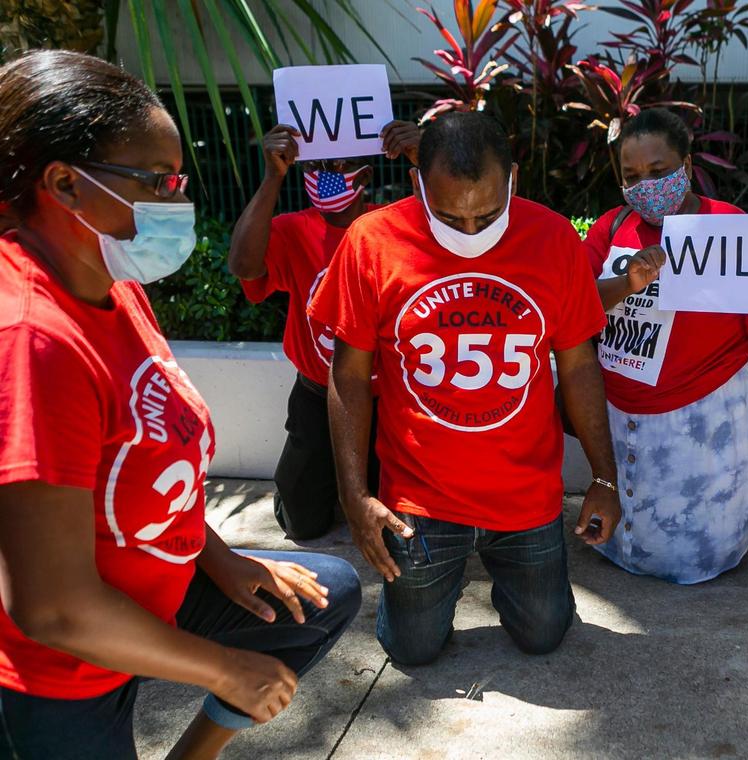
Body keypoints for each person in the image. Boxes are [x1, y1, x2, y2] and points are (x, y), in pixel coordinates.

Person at [0, 50, 362, 759]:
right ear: (65, 184)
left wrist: (216, 554)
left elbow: (148, 457)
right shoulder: (30, 339)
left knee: (321, 594)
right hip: (61, 673)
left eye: (179, 179)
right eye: (158, 182)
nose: (177, 202)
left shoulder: (109, 278)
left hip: (154, 593)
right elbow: (51, 607)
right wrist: (228, 668)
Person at [309, 111, 621, 666]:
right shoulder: (371, 240)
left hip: (525, 495)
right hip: (420, 499)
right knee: (411, 649)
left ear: (515, 181)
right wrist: (355, 497)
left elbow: (577, 365)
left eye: (490, 213)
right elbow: (349, 376)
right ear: (416, 185)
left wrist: (603, 477)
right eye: (451, 216)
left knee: (545, 634)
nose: (472, 231)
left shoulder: (552, 237)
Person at [581, 108, 748, 585]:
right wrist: (628, 282)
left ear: (685, 167)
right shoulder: (611, 227)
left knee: (691, 558)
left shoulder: (729, 226)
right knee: (630, 541)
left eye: (659, 171)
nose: (645, 184)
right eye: (632, 175)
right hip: (629, 415)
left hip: (709, 413)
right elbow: (577, 304)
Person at [228, 119, 421, 540]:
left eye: (342, 163)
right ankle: (325, 485)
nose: (327, 174)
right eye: (316, 165)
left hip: (388, 400)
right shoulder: (292, 229)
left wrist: (424, 160)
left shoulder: (391, 226)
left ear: (366, 175)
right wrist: (272, 178)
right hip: (318, 394)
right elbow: (244, 266)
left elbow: (455, 229)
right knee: (302, 522)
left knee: (399, 524)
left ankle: (351, 485)